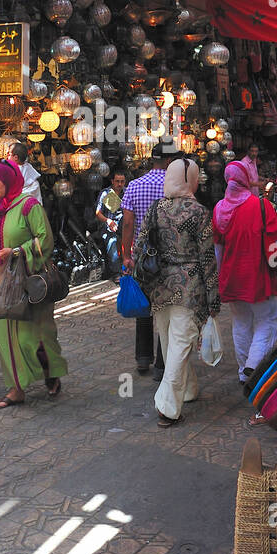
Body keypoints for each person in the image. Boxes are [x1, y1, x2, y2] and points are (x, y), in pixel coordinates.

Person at [134, 157, 219, 427]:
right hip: (189, 287)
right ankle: (167, 407)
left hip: (159, 286)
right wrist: (213, 298)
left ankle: (188, 390)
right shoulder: (199, 212)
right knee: (180, 345)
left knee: (172, 343)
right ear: (190, 179)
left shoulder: (156, 208)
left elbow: (140, 245)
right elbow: (207, 258)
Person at [0, 159, 69, 410]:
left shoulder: (29, 206)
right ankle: (16, 389)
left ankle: (50, 373)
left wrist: (17, 252)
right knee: (6, 337)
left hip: (29, 285)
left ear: (10, 181)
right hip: (3, 286)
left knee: (35, 337)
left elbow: (45, 240)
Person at [213, 160, 277, 385]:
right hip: (258, 275)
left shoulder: (219, 209)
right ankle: (254, 365)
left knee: (241, 322)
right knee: (268, 320)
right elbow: (274, 241)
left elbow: (218, 249)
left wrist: (221, 278)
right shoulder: (262, 206)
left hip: (232, 277)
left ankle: (244, 371)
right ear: (245, 179)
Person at [121, 144, 169, 378]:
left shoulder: (134, 185)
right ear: (169, 161)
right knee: (165, 310)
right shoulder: (173, 186)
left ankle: (143, 358)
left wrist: (126, 255)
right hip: (167, 256)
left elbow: (127, 223)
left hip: (141, 256)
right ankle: (161, 365)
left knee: (143, 307)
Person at [95, 169, 127, 276]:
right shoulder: (105, 193)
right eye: (117, 181)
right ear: (112, 181)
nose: (120, 184)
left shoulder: (127, 192)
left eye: (122, 181)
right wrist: (108, 221)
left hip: (124, 227)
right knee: (113, 247)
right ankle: (117, 273)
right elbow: (98, 213)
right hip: (109, 228)